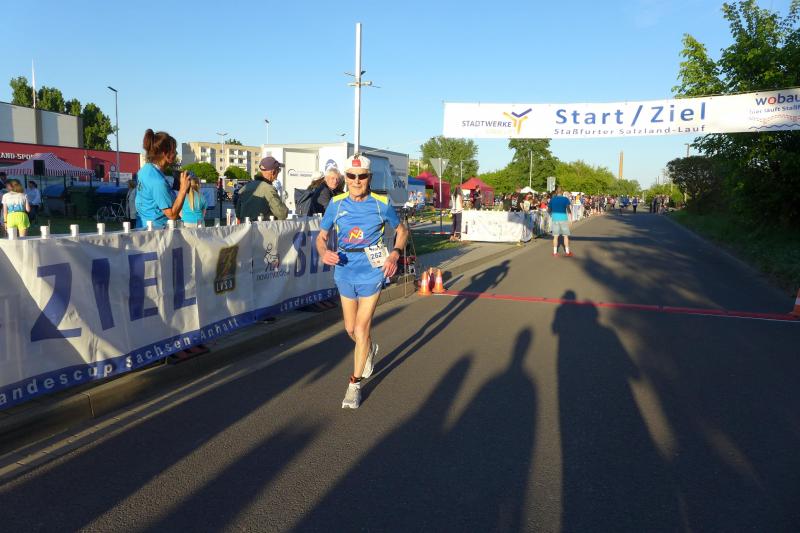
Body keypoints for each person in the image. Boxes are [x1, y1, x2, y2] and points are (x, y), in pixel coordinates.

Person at [316, 154, 408, 409]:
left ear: (369, 178)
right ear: (345, 178)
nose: (357, 181)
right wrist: (324, 252)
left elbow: (401, 230)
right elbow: (321, 237)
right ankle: (367, 348)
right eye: (352, 176)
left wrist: (395, 253)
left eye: (362, 176)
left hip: (372, 270)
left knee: (361, 327)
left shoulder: (381, 203)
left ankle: (354, 385)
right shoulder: (336, 204)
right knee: (350, 329)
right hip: (345, 269)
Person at [135, 129, 190, 228]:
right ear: (165, 154)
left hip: (143, 228)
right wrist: (183, 189)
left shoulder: (144, 171)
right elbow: (172, 215)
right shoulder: (158, 181)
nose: (176, 153)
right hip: (157, 232)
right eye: (174, 150)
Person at [236, 156, 288, 221]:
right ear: (273, 172)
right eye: (278, 171)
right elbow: (282, 214)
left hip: (245, 226)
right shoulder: (269, 189)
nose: (277, 175)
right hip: (263, 226)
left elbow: (238, 214)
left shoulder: (245, 187)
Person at [548, 186, 572, 257]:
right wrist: (570, 220)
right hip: (563, 218)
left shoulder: (552, 199)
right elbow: (568, 210)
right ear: (562, 192)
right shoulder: (565, 199)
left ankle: (555, 252)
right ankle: (567, 252)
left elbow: (549, 210)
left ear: (556, 192)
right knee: (565, 236)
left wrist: (551, 215)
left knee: (555, 236)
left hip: (555, 218)